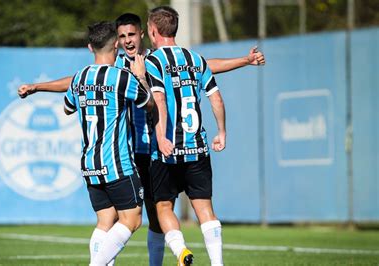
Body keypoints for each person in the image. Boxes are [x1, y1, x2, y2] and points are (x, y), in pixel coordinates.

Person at [18, 12, 265, 266]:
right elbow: (78, 82)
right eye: (122, 36)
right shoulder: (117, 69)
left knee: (155, 217)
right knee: (121, 218)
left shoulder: (153, 60)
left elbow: (206, 65)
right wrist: (39, 87)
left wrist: (244, 60)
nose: (127, 41)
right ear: (117, 41)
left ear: (143, 34)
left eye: (131, 34)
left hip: (156, 150)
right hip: (136, 153)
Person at [63, 21, 154, 265]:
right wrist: (142, 78)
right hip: (117, 164)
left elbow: (67, 108)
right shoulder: (121, 78)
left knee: (106, 221)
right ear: (116, 44)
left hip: (90, 164)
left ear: (90, 47)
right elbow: (150, 104)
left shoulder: (79, 78)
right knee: (132, 220)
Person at [145, 6, 226, 266]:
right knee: (205, 209)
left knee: (163, 207)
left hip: (167, 151)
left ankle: (181, 252)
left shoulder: (154, 61)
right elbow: (216, 98)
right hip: (197, 148)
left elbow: (159, 100)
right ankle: (218, 263)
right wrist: (222, 131)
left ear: (154, 31)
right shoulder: (196, 59)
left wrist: (161, 136)